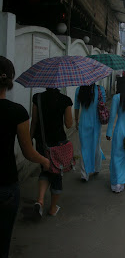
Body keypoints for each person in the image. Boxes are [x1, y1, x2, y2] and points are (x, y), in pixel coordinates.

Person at [0, 56, 50, 258]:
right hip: (5, 183)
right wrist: (44, 161)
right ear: (10, 80)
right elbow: (28, 152)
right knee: (3, 240)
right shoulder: (17, 112)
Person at [30, 88, 73, 217]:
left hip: (41, 143)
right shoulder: (65, 100)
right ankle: (53, 208)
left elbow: (34, 121)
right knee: (57, 174)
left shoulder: (37, 98)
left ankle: (40, 200)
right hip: (58, 144)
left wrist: (29, 138)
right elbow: (69, 124)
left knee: (45, 169)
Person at [74, 83, 106, 182]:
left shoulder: (79, 89)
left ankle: (84, 174)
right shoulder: (100, 89)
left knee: (84, 148)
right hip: (96, 123)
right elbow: (103, 105)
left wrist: (76, 120)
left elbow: (76, 106)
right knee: (96, 146)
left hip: (84, 122)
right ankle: (96, 168)